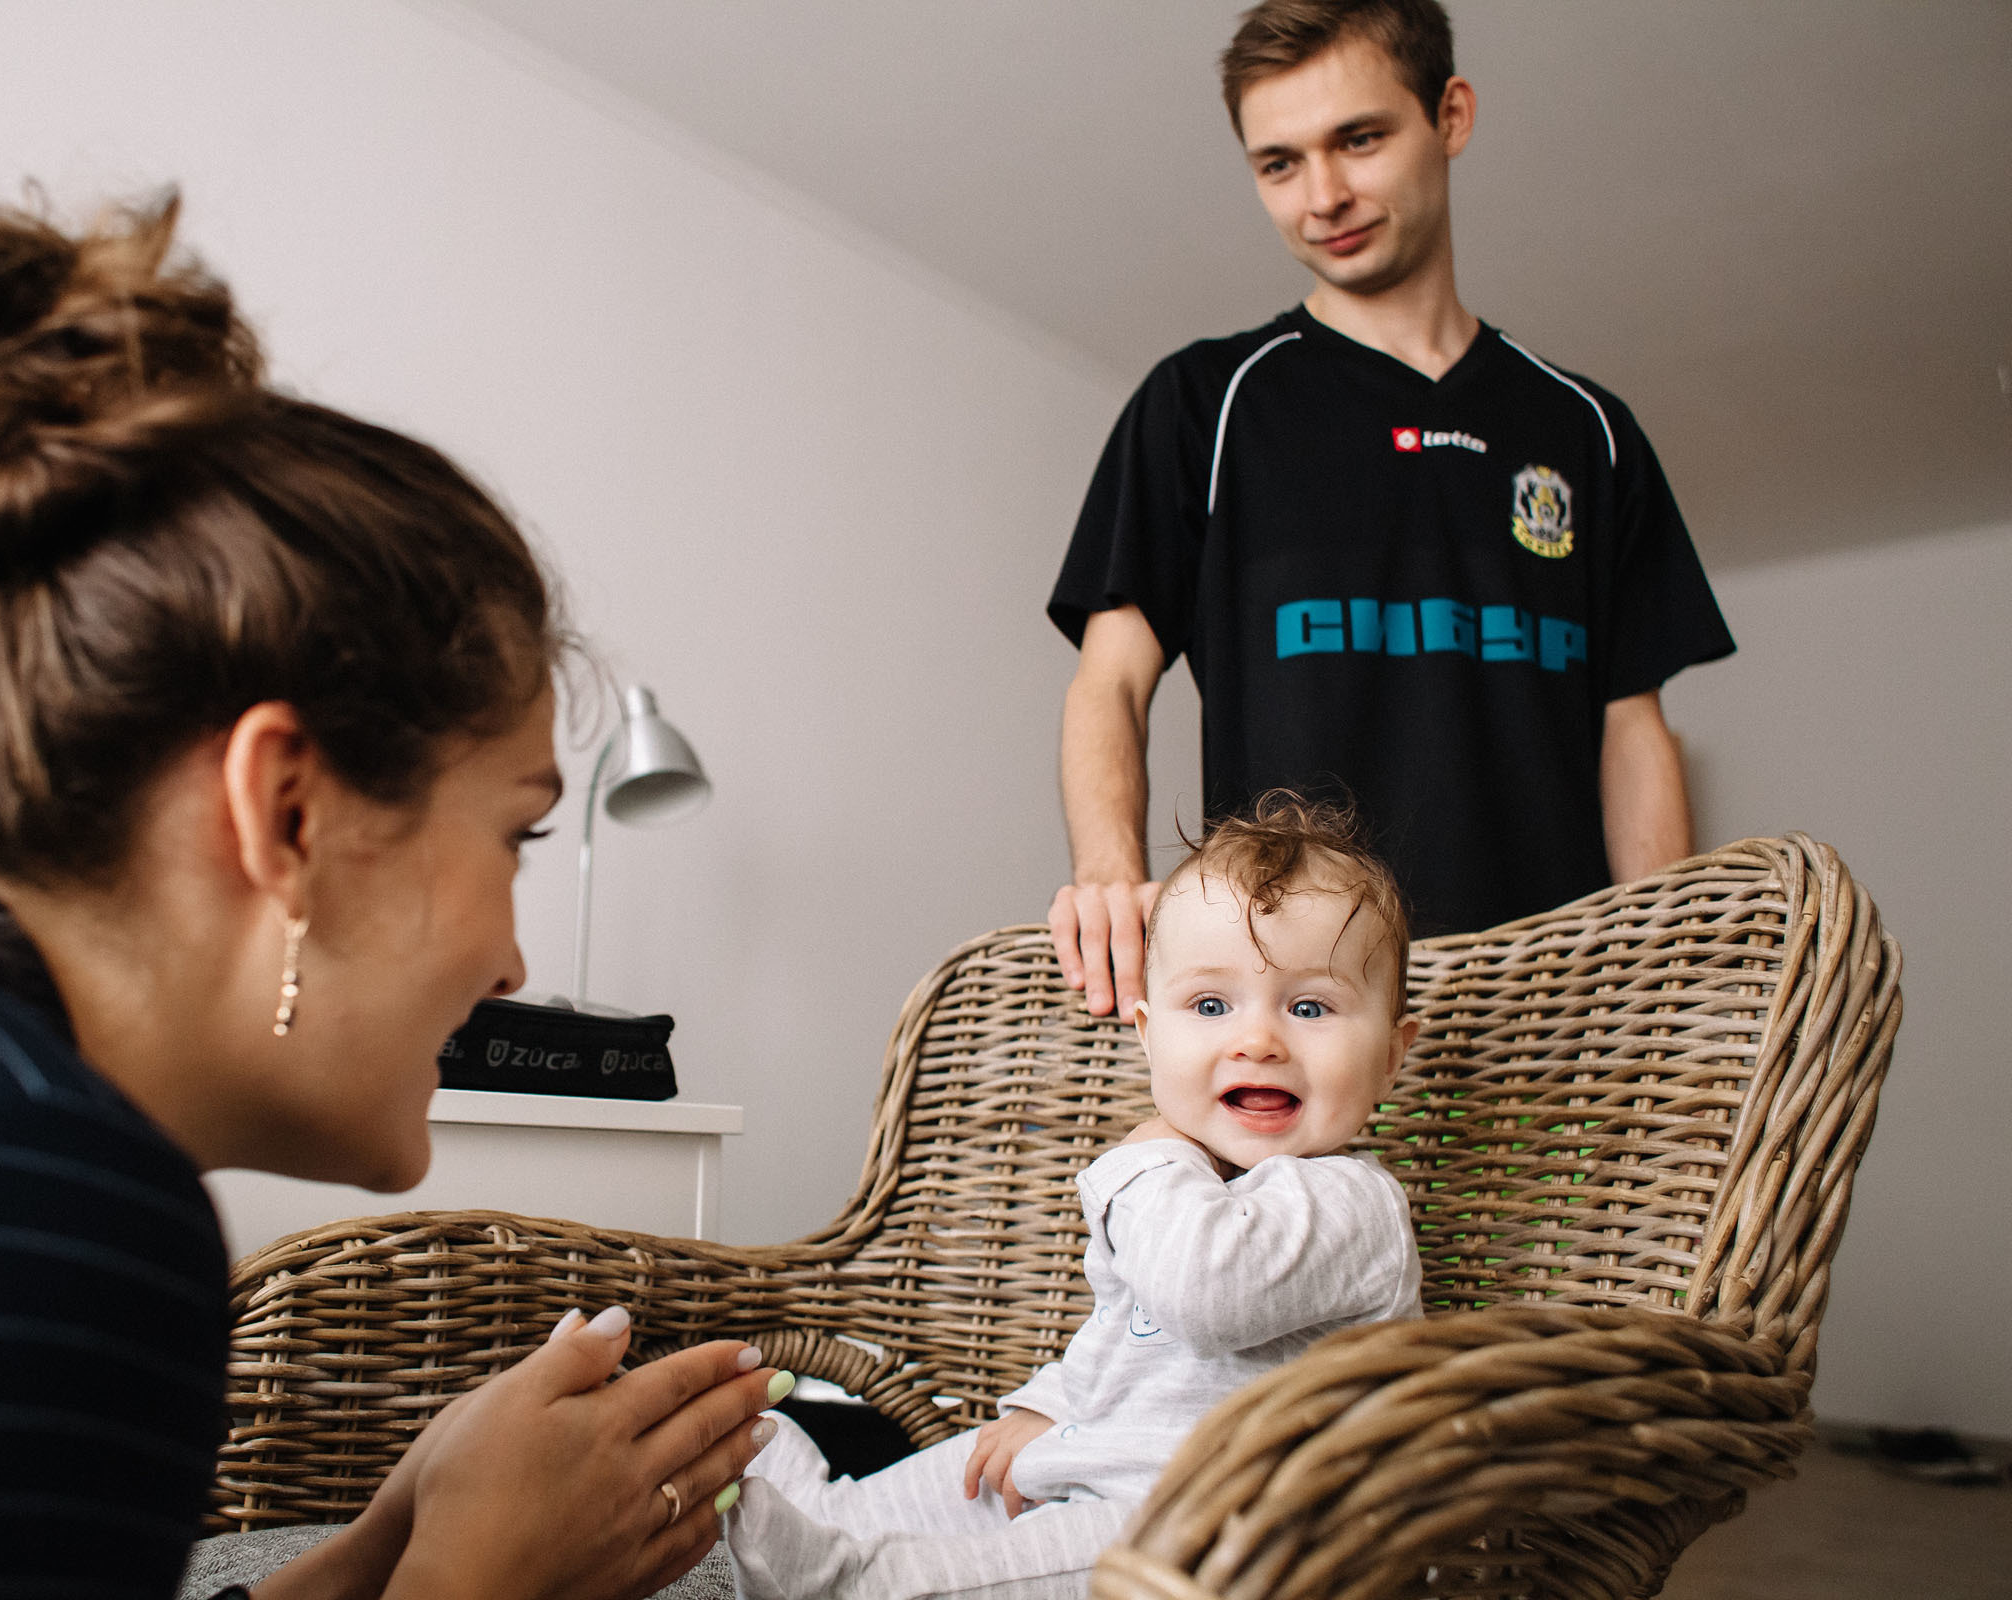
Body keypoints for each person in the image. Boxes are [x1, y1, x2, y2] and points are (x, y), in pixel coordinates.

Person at [0, 196, 785, 1600]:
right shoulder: (19, 1202)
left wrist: (375, 1556)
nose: (513, 966)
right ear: (287, 811)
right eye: (517, 835)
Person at [1048, 0, 1735, 1021]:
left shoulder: (1588, 429)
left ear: (1450, 116)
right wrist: (1110, 873)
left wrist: (1662, 967)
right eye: (1278, 164)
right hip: (1293, 1007)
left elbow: (1632, 730)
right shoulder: (1204, 403)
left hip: (1558, 1007)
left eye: (1358, 139)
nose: (1322, 195)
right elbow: (1110, 680)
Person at [722, 794, 1424, 1600]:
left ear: (1392, 1053)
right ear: (1147, 1032)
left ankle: (818, 1579)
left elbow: (1203, 1296)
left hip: (1211, 1531)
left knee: (904, 1579)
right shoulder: (1188, 1179)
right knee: (887, 1506)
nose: (1257, 1039)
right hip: (1092, 1459)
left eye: (1309, 1007)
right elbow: (1124, 1333)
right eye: (1210, 1006)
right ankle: (773, 1494)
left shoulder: (1350, 1204)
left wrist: (1149, 1152)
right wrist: (1049, 1405)